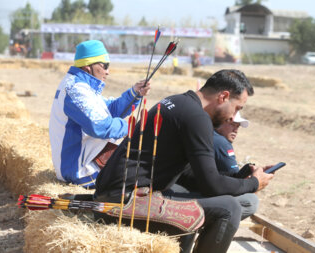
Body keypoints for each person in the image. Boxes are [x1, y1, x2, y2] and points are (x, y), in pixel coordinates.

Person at [94, 69, 273, 253]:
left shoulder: (178, 102)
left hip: (114, 193)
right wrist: (254, 183)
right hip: (126, 202)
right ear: (224, 96)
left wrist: (239, 176)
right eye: (237, 108)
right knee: (230, 208)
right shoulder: (197, 117)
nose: (233, 116)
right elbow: (211, 185)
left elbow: (189, 175)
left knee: (198, 196)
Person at [49, 40, 150, 189]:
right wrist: (132, 127)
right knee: (146, 172)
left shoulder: (82, 86)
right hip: (80, 171)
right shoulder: (75, 89)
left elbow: (109, 110)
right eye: (105, 66)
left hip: (86, 162)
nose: (108, 71)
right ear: (88, 66)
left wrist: (134, 93)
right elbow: (99, 126)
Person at [177, 111, 259, 222]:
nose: (236, 130)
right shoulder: (222, 142)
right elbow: (228, 183)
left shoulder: (202, 133)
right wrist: (254, 183)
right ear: (220, 122)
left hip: (186, 186)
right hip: (192, 192)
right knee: (251, 200)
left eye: (237, 127)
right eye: (232, 125)